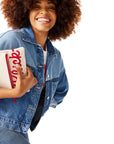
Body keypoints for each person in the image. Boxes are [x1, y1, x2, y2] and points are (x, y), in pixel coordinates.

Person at [0, 0, 81, 143]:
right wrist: (15, 92)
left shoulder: (55, 57)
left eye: (51, 8)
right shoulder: (12, 40)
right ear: (25, 11)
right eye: (36, 7)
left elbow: (60, 92)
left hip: (19, 129)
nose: (44, 12)